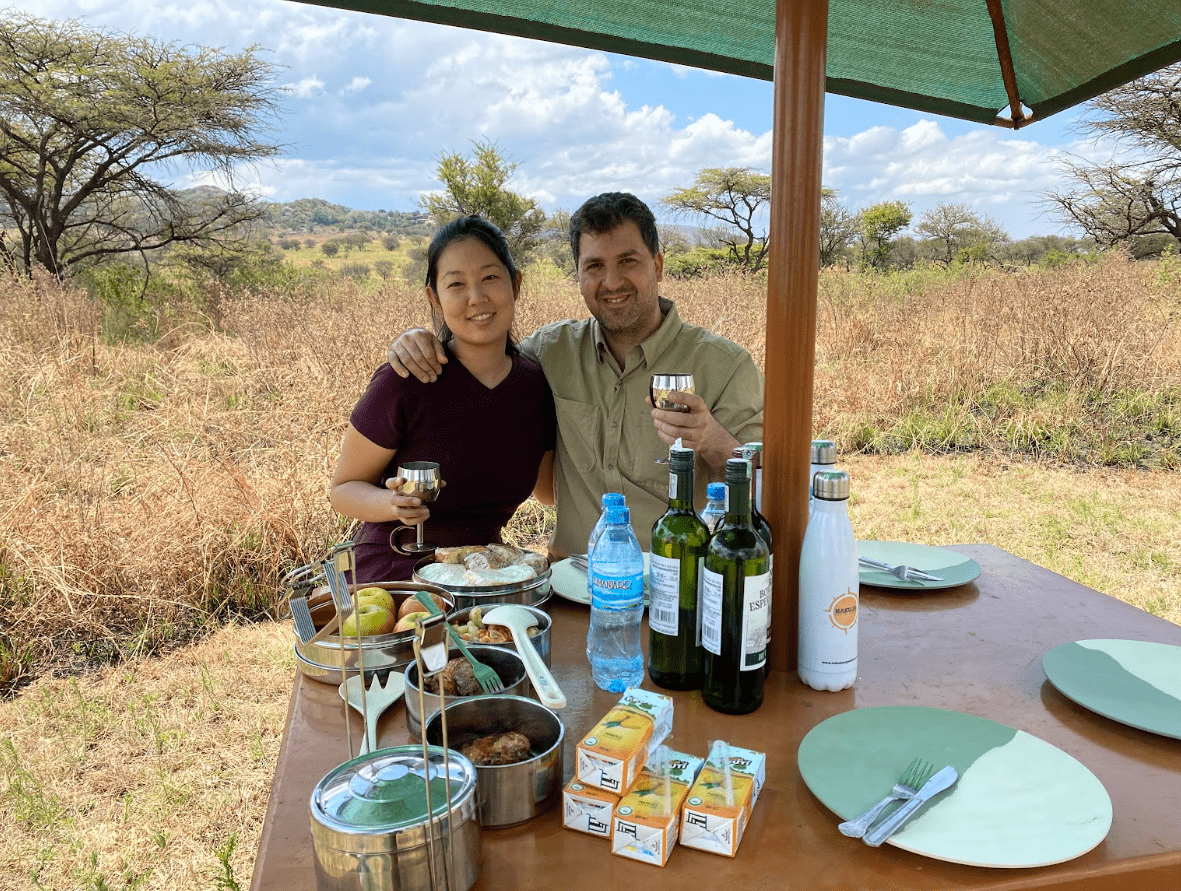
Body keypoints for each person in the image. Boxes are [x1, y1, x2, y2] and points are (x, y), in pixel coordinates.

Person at [388, 192, 763, 558]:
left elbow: (766, 494)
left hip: (674, 585)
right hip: (569, 585)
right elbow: (481, 351)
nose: (612, 282)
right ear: (579, 274)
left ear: (659, 265)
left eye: (628, 261)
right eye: (595, 266)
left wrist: (712, 439)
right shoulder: (551, 351)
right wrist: (417, 339)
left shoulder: (725, 366)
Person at [331, 215, 556, 582]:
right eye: (456, 284)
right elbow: (342, 490)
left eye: (490, 278)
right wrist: (394, 504)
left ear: (516, 283)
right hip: (395, 577)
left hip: (481, 577)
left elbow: (548, 490)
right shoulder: (406, 379)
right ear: (434, 297)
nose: (476, 298)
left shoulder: (534, 386)